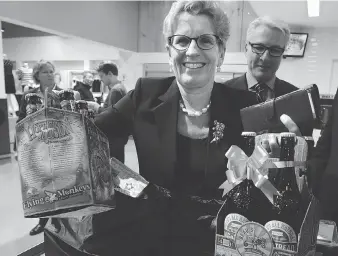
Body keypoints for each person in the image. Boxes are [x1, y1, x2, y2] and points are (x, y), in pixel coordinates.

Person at [43, 1, 258, 255]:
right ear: (169, 51)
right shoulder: (144, 94)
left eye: (206, 41)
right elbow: (88, 137)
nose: (192, 50)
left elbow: (268, 180)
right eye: (181, 40)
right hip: (154, 240)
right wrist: (52, 135)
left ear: (221, 52)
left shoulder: (245, 106)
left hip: (219, 242)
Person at [16, 60, 62, 236]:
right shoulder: (28, 96)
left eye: (51, 71)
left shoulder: (63, 94)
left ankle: (60, 220)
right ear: (37, 76)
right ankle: (43, 220)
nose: (50, 74)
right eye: (45, 72)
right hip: (36, 148)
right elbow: (21, 120)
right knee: (41, 185)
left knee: (60, 184)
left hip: (59, 146)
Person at [224, 16, 298, 102]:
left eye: (275, 50)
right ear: (246, 49)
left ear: (282, 53)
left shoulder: (297, 98)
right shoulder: (220, 95)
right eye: (259, 48)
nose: (265, 58)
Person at [95, 62, 128, 162]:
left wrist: (96, 108)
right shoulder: (120, 87)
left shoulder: (115, 91)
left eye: (101, 76)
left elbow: (111, 116)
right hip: (118, 137)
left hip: (114, 137)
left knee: (114, 166)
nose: (101, 79)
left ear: (109, 74)